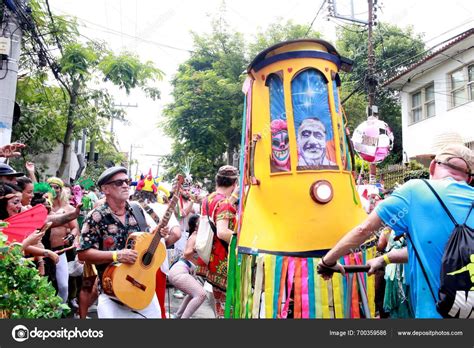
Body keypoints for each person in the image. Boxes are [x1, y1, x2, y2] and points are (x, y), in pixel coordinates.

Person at [317, 143, 474, 318]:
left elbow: (364, 229)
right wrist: (385, 259)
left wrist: (327, 262)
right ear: (469, 179)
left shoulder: (416, 191)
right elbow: (437, 251)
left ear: (432, 166)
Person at [77, 166, 169, 318]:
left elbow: (144, 242)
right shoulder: (96, 217)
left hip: (144, 290)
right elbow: (83, 254)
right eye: (119, 183)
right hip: (113, 294)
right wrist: (116, 256)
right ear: (105, 189)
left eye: (127, 181)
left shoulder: (138, 209)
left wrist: (157, 235)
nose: (126, 185)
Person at [197, 165, 238, 318]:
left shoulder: (208, 199)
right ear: (234, 184)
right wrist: (242, 240)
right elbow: (222, 232)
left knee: (220, 306)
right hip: (224, 260)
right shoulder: (225, 203)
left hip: (212, 259)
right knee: (229, 308)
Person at [46, 177, 80, 303]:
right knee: (46, 284)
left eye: (57, 187)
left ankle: (60, 311)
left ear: (61, 190)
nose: (54, 190)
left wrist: (71, 236)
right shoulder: (42, 205)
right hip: (42, 252)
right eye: (51, 187)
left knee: (64, 286)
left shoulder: (69, 208)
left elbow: (75, 228)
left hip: (60, 251)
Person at [168, 214, 207, 318]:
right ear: (196, 226)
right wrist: (196, 248)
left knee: (193, 294)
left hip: (180, 271)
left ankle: (178, 315)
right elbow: (186, 253)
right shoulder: (194, 237)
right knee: (201, 294)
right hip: (179, 271)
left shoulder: (199, 236)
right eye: (201, 223)